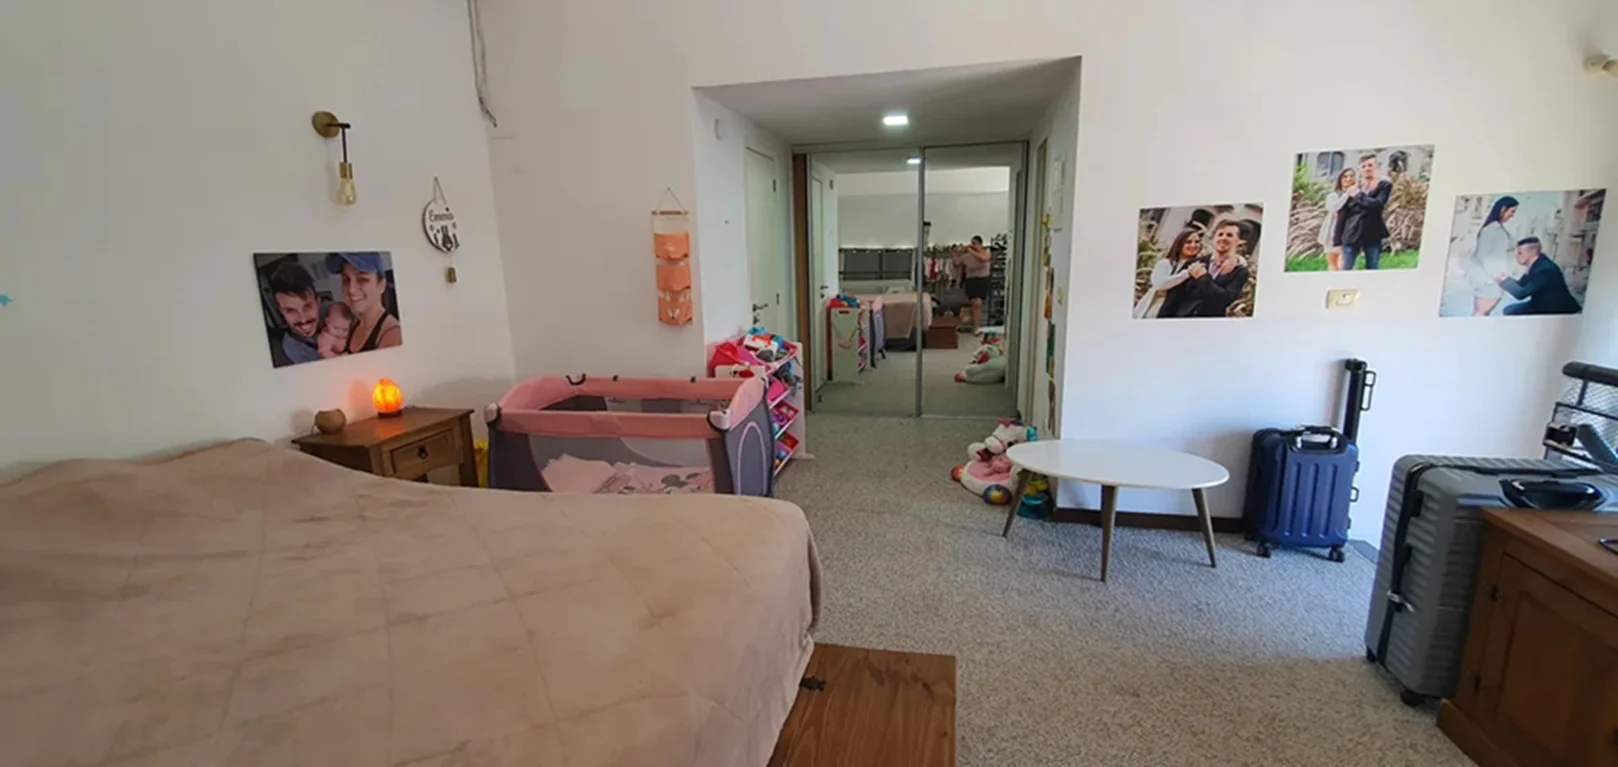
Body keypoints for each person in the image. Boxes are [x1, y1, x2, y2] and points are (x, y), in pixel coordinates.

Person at [1166, 220, 1251, 318]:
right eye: (1220, 234)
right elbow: (1173, 298)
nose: (1223, 238)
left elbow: (1225, 299)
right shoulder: (1194, 263)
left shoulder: (1239, 272)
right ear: (1213, 238)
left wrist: (1202, 277)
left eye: (1229, 235)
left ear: (1239, 241)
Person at [325, 252, 403, 353]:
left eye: (362, 279)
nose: (351, 289)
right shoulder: (352, 325)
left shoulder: (393, 335)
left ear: (381, 285)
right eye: (346, 279)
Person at [1335, 153, 1392, 270]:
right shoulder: (1353, 186)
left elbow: (1377, 205)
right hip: (1351, 233)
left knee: (1372, 267)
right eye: (1364, 166)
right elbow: (1342, 214)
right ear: (1360, 169)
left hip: (1373, 233)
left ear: (1376, 167)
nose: (1367, 169)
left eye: (1370, 165)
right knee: (1346, 268)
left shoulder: (1383, 185)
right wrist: (1337, 241)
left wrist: (1357, 195)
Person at [1498, 237, 1581, 315]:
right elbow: (1521, 285)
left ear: (1532, 253)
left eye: (1520, 253)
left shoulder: (1545, 270)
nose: (1516, 256)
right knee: (1509, 310)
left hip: (1557, 310)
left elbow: (1521, 294)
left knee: (1511, 312)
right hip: (1541, 304)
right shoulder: (1536, 265)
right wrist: (1504, 280)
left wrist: (1504, 281)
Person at [1132, 227, 1202, 319]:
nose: (1193, 245)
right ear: (1179, 244)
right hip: (1154, 311)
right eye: (1188, 242)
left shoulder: (1200, 267)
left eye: (1197, 242)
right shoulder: (1164, 264)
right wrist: (1186, 273)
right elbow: (1159, 284)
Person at [1466, 196, 1519, 316]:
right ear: (1503, 209)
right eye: (1512, 211)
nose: (1513, 215)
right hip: (1488, 281)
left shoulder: (1498, 229)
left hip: (1493, 280)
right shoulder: (1491, 230)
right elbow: (1484, 256)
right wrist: (1496, 276)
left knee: (1483, 313)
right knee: (1481, 313)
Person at [266, 260, 322, 367]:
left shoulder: (338, 316)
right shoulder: (287, 355)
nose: (303, 319)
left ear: (318, 302)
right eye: (290, 311)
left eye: (307, 307)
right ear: (281, 311)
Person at [953, 235, 993, 332]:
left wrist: (971, 251)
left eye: (975, 243)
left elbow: (982, 259)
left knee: (977, 304)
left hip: (982, 280)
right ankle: (975, 326)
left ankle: (975, 326)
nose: (972, 245)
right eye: (971, 243)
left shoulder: (986, 252)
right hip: (971, 281)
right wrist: (955, 252)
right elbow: (957, 263)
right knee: (976, 304)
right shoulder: (967, 256)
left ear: (980, 244)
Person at [1320, 167, 1357, 271]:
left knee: (1345, 265)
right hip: (1332, 232)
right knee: (1333, 263)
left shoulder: (1358, 195)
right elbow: (1333, 208)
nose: (1348, 179)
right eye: (1345, 176)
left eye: (1351, 176)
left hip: (1349, 233)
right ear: (1340, 179)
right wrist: (1346, 195)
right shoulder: (1333, 196)